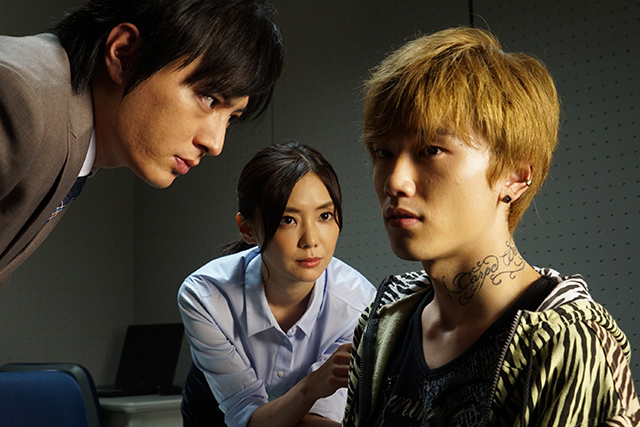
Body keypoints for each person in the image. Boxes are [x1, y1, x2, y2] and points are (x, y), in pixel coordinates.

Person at [343, 27, 640, 426]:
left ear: (515, 175)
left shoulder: (565, 345)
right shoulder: (383, 325)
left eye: (431, 150)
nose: (395, 181)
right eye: (383, 152)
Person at [0, 0, 284, 287]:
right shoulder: (20, 100)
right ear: (125, 54)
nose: (215, 144)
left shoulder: (65, 125)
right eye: (209, 99)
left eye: (231, 117)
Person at [178, 142, 376, 427]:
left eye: (324, 216)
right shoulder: (206, 296)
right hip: (215, 415)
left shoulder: (358, 304)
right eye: (288, 220)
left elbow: (316, 418)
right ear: (247, 229)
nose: (311, 240)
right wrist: (313, 385)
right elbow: (248, 417)